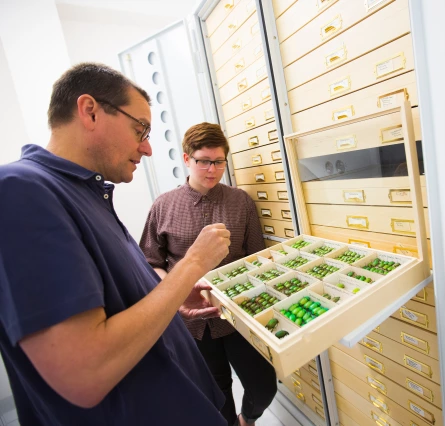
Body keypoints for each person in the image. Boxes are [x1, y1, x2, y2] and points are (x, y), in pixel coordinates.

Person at [0, 63, 232, 426]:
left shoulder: (84, 192)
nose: (148, 147)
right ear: (90, 111)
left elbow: (117, 298)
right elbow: (86, 372)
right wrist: (190, 266)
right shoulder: (18, 190)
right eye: (140, 128)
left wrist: (172, 292)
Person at [139, 122, 277, 426]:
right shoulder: (163, 205)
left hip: (238, 315)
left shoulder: (240, 202)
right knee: (217, 396)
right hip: (192, 324)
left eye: (218, 162)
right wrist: (174, 294)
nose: (212, 170)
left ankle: (247, 420)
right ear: (187, 159)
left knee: (263, 385)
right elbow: (150, 262)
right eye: (204, 161)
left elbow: (256, 255)